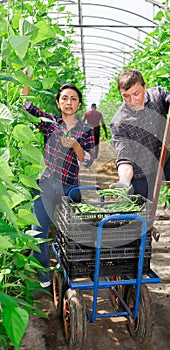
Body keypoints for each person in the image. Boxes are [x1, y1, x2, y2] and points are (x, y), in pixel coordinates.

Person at [109, 69, 170, 247]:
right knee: (141, 225)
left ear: (144, 87)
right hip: (141, 172)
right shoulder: (119, 121)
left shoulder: (157, 95)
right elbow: (124, 157)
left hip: (164, 160)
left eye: (136, 94)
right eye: (126, 96)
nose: (132, 101)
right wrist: (124, 181)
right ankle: (141, 260)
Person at [21, 83, 95, 291]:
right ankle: (45, 276)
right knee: (38, 233)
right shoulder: (50, 123)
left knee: (69, 234)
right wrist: (25, 81)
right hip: (45, 184)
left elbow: (88, 161)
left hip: (69, 187)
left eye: (73, 98)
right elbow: (26, 106)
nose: (68, 102)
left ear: (79, 104)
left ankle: (66, 274)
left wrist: (76, 146)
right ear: (58, 102)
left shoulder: (86, 130)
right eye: (64, 98)